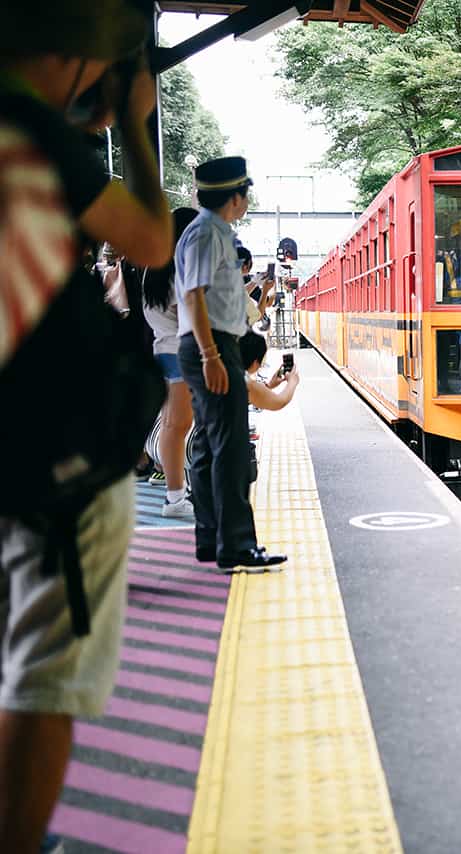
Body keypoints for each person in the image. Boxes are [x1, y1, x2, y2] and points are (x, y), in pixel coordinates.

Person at [0, 2, 172, 851]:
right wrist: (134, 128)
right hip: (50, 458)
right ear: (88, 55)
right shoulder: (31, 136)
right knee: (45, 678)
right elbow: (148, 238)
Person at [175, 156, 286, 571]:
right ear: (234, 197)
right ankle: (237, 545)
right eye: (245, 193)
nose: (247, 200)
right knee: (231, 448)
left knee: (209, 444)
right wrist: (211, 355)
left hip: (212, 343)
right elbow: (194, 295)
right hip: (212, 345)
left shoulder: (209, 232)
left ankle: (212, 539)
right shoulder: (208, 234)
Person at [143, 208, 201, 518]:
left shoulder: (155, 270)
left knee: (171, 425)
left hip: (163, 350)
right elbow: (190, 320)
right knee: (178, 426)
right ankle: (176, 499)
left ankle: (176, 494)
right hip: (182, 354)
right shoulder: (181, 271)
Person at [239, 331, 300, 411]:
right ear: (255, 362)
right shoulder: (244, 382)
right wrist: (292, 382)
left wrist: (270, 385)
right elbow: (278, 402)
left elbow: (252, 396)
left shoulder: (231, 371)